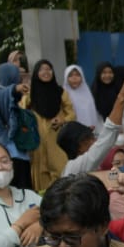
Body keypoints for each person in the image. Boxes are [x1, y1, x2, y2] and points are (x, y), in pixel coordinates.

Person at [24, 59, 74, 192]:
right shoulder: (30, 95)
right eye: (42, 69)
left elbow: (72, 114)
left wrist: (62, 120)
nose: (46, 72)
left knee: (61, 170)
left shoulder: (60, 92)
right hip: (37, 142)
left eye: (48, 69)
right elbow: (21, 112)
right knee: (41, 175)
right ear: (36, 73)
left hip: (56, 138)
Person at [0, 62, 34, 191]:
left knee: (24, 193)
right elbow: (4, 96)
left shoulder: (16, 96)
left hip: (20, 152)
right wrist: (16, 88)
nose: (19, 78)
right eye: (17, 75)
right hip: (8, 153)